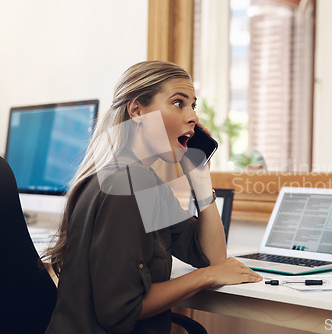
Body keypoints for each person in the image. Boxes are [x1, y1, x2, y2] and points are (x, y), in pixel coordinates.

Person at [44, 60, 262, 334]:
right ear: (137, 111)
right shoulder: (126, 185)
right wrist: (206, 277)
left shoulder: (144, 182)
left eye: (193, 105)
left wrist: (201, 181)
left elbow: (212, 257)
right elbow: (119, 310)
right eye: (178, 103)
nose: (193, 116)